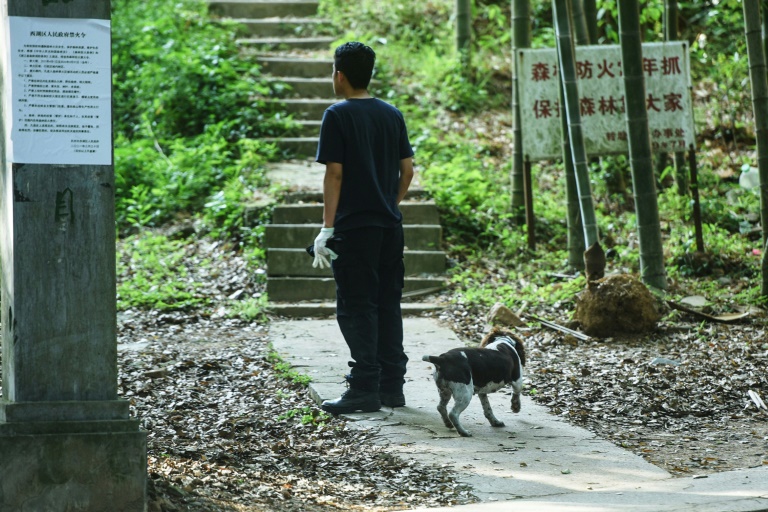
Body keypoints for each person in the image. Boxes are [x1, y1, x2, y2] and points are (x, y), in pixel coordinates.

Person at [313, 41, 415, 414]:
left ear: (339, 74)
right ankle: (392, 386)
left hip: (355, 230)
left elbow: (334, 175)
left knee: (357, 307)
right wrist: (388, 204)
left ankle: (363, 389)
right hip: (390, 228)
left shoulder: (337, 115)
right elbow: (408, 171)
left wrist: (326, 228)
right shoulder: (392, 114)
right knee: (388, 303)